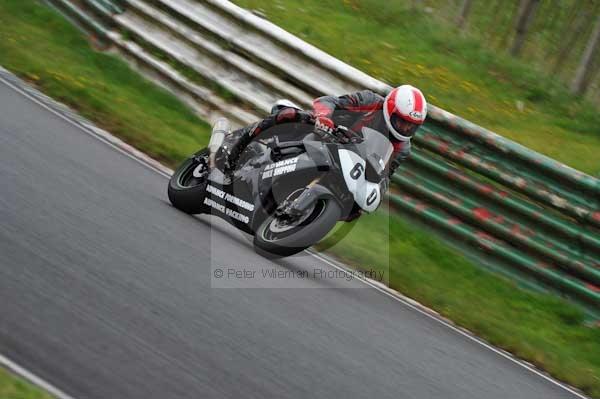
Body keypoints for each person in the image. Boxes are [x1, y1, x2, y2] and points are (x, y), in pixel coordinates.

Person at [215, 85, 428, 192]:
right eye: (402, 121)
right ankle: (236, 148)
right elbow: (329, 101)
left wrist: (378, 189)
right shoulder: (371, 101)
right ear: (390, 110)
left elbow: (386, 175)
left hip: (347, 160)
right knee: (288, 116)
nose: (406, 127)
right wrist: (325, 117)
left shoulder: (403, 147)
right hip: (323, 130)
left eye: (412, 126)